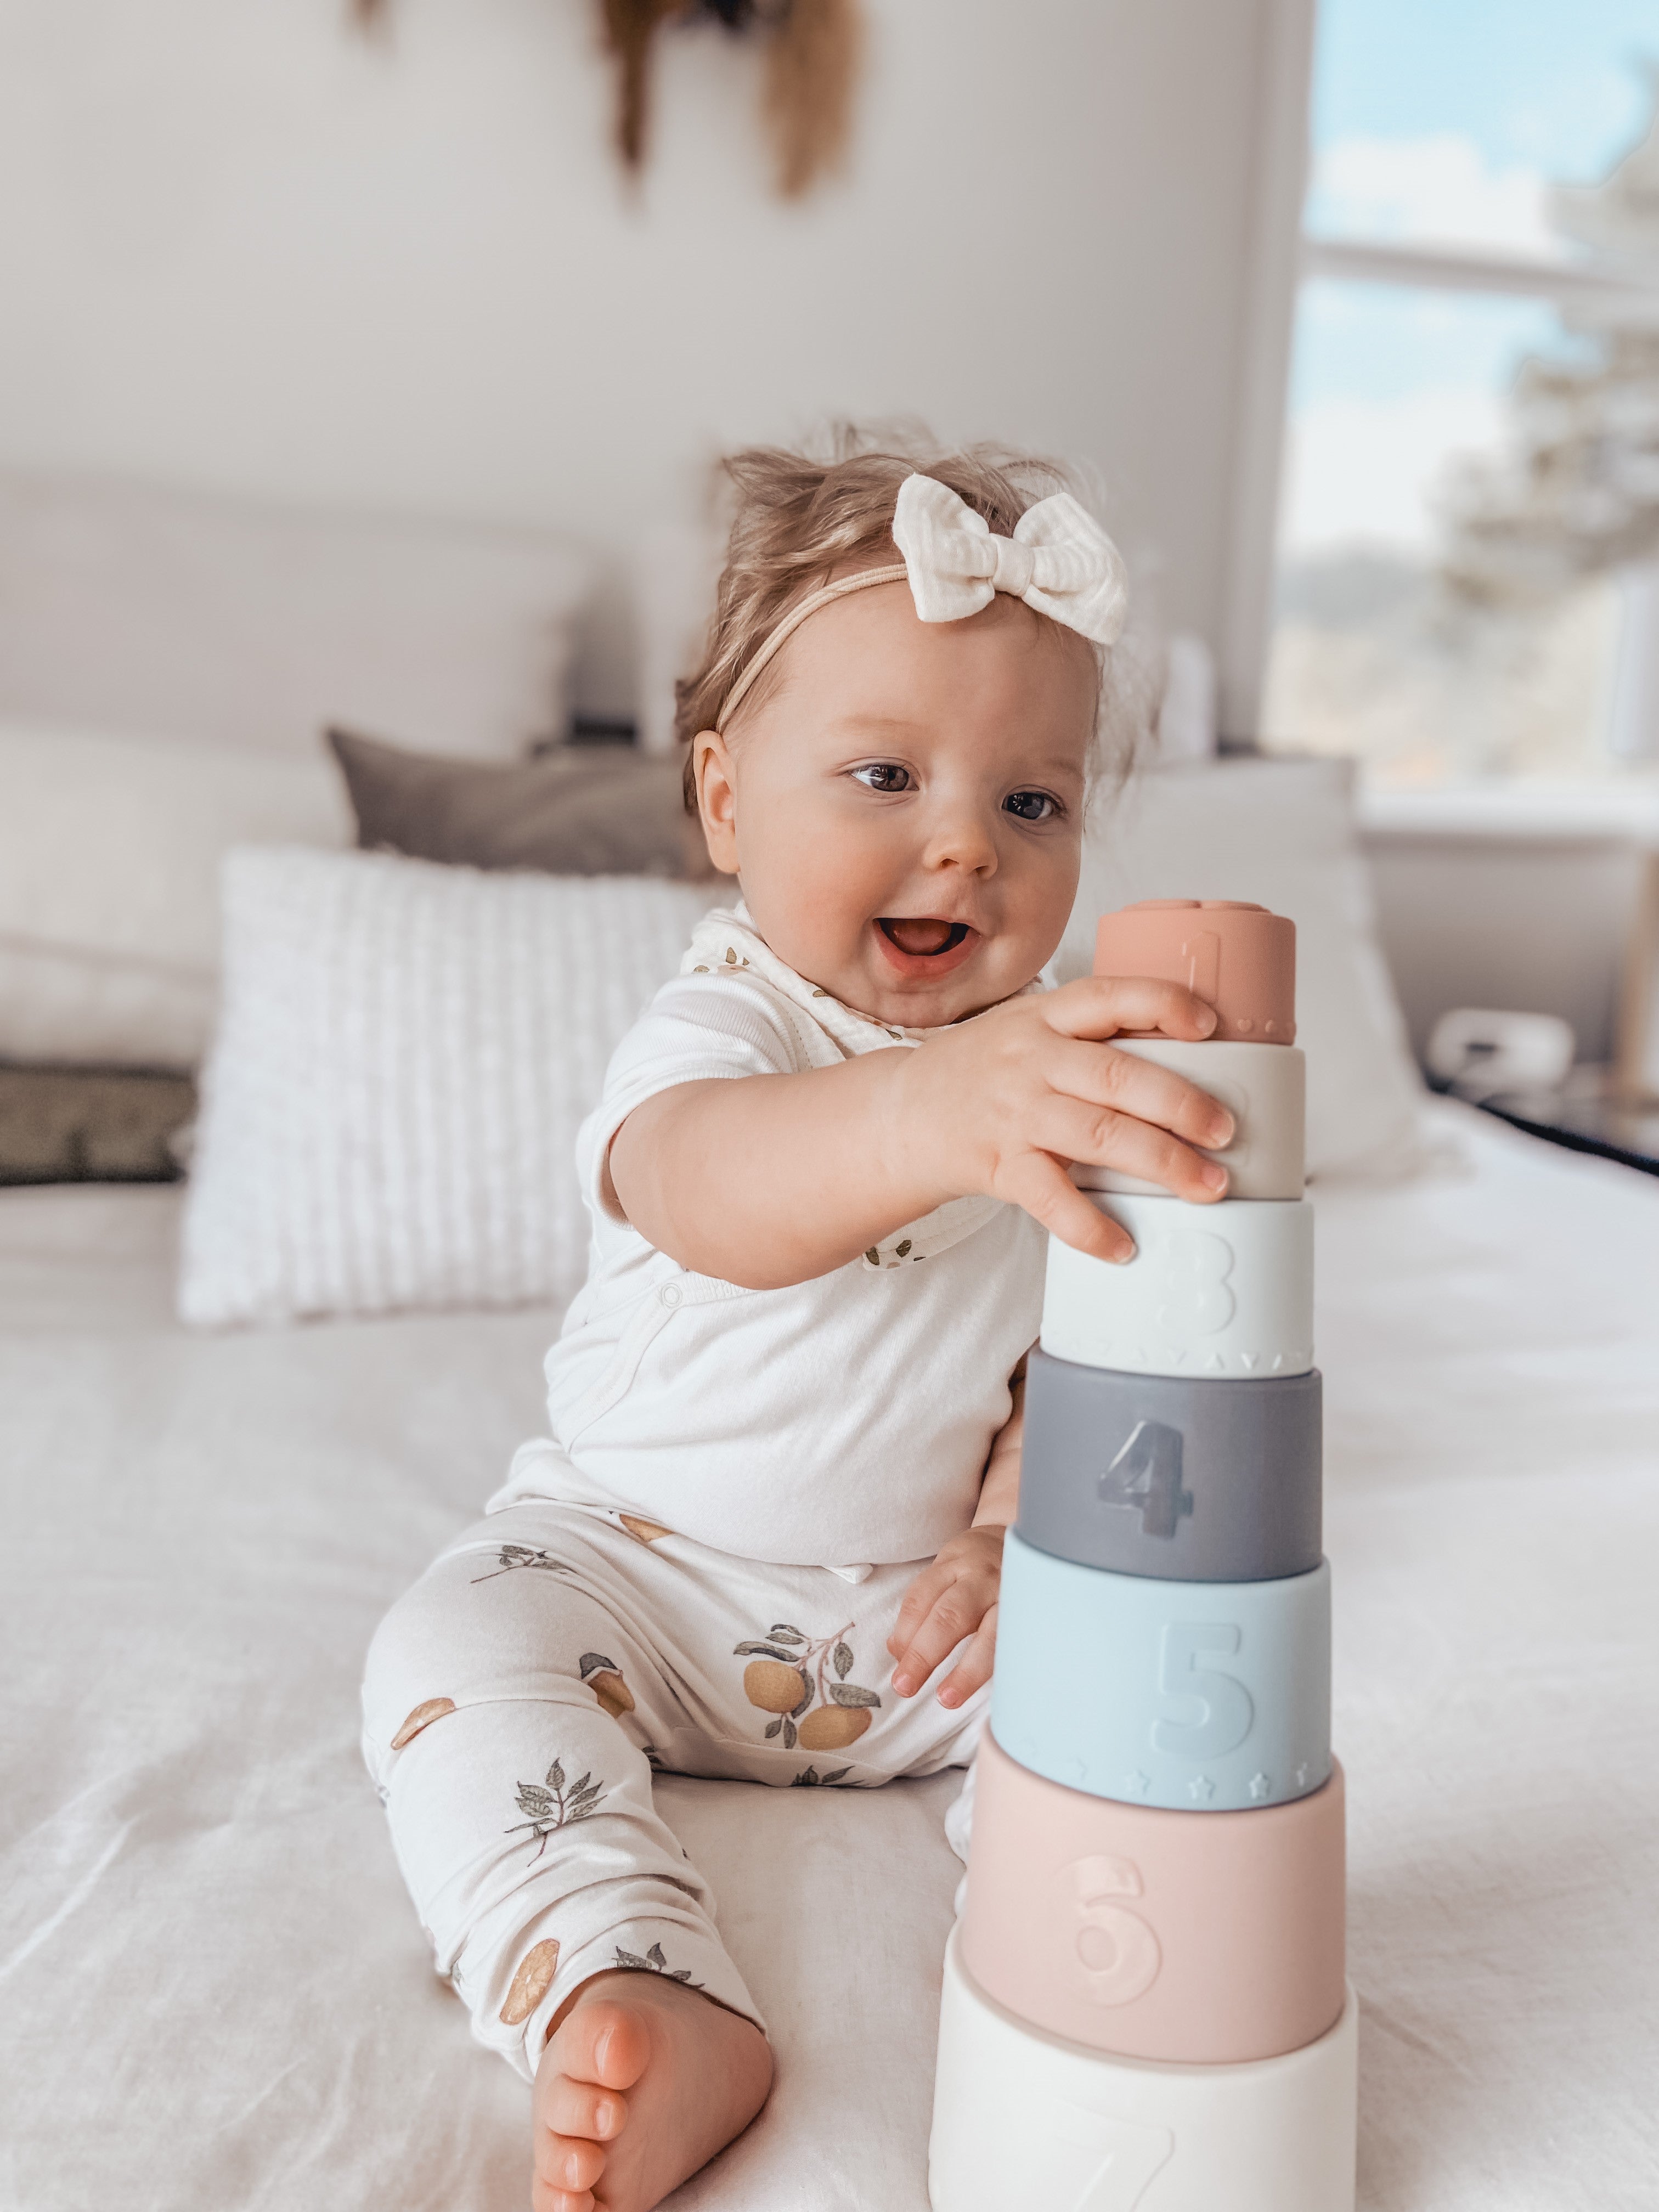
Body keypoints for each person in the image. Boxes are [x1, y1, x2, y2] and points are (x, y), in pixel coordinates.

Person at [363, 433, 1235, 2212]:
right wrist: (934, 1111)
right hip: (633, 1574)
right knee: (448, 1652)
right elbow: (709, 1189)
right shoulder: (726, 1025)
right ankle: (627, 1975)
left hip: (910, 1633)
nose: (962, 843)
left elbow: (1068, 1357)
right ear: (725, 802)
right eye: (886, 773)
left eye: (1034, 803)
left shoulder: (1052, 1069)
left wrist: (1007, 1537)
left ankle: (1096, 1968)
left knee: (1143, 1675)